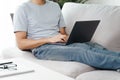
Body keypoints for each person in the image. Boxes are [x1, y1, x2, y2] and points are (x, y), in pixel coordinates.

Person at [13, 0, 120, 71]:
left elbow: (63, 33)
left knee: (92, 46)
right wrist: (49, 39)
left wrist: (69, 37)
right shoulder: (23, 9)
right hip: (42, 48)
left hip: (61, 42)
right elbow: (21, 43)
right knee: (80, 51)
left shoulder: (55, 6)